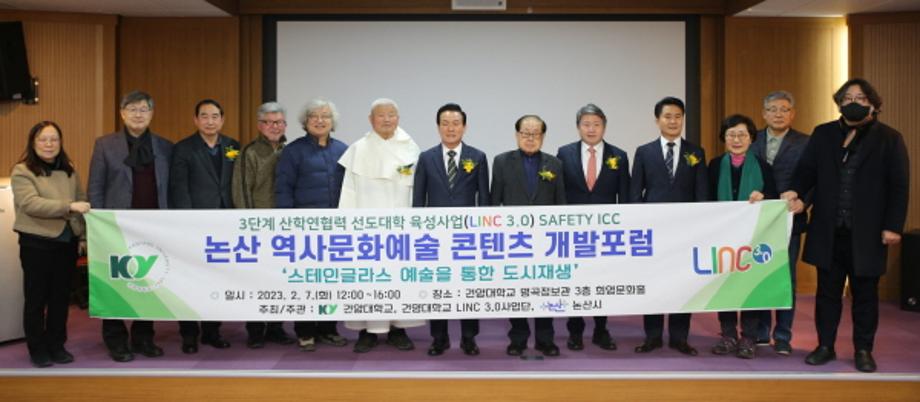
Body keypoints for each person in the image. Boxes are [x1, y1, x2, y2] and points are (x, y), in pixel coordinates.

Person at [785, 78, 909, 373]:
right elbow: (807, 171)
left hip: (868, 232)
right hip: (829, 229)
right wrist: (795, 192)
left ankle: (863, 349)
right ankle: (825, 345)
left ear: (873, 105)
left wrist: (893, 226)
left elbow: (899, 186)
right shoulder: (824, 133)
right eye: (847, 98)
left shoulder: (890, 138)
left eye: (861, 98)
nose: (853, 102)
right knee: (827, 293)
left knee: (865, 294)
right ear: (839, 103)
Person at [88, 90, 172, 362]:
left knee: (149, 282)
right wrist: (98, 224)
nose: (138, 114)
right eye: (132, 109)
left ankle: (143, 337)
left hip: (153, 226)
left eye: (143, 109)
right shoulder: (105, 145)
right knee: (114, 282)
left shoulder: (165, 146)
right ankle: (116, 340)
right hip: (115, 226)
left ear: (152, 114)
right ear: (122, 114)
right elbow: (96, 187)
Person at [338, 98, 423, 353]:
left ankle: (399, 329)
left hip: (401, 230)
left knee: (400, 278)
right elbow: (348, 191)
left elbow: (418, 191)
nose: (387, 119)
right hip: (366, 231)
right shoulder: (358, 149)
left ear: (398, 118)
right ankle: (367, 332)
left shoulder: (411, 147)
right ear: (370, 119)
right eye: (381, 115)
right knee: (368, 279)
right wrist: (348, 226)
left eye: (392, 114)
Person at [630, 97, 708, 357]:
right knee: (654, 283)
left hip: (686, 232)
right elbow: (635, 193)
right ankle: (652, 337)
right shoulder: (644, 152)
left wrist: (701, 227)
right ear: (657, 120)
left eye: (678, 116)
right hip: (653, 231)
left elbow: (702, 193)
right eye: (667, 116)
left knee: (683, 284)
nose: (673, 121)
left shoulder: (696, 152)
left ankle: (679, 338)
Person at [413, 103, 490, 357]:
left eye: (456, 123)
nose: (450, 128)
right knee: (439, 287)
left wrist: (483, 233)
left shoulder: (477, 157)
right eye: (445, 123)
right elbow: (418, 199)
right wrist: (418, 232)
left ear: (464, 127)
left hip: (468, 237)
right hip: (434, 238)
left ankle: (469, 338)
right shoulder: (426, 158)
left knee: (468, 287)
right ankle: (439, 338)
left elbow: (484, 200)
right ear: (438, 127)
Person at [11, 121, 90, 368]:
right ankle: (37, 348)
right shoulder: (22, 171)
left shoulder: (69, 169)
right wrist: (68, 206)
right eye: (43, 139)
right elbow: (30, 203)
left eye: (54, 139)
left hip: (67, 242)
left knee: (60, 298)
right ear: (33, 143)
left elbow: (82, 200)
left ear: (60, 142)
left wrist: (82, 236)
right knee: (36, 298)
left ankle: (57, 345)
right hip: (36, 243)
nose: (49, 144)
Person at [275, 98, 349, 351]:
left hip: (335, 230)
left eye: (325, 116)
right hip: (303, 229)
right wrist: (287, 222)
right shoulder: (293, 151)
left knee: (331, 281)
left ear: (333, 121)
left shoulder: (343, 150)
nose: (320, 120)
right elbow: (283, 188)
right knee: (305, 282)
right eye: (314, 116)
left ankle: (328, 329)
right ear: (305, 122)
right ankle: (305, 331)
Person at [492, 114, 566, 357]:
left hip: (546, 241)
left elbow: (561, 204)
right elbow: (493, 204)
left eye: (536, 134)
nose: (530, 138)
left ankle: (545, 339)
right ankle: (518, 338)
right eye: (526, 133)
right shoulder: (502, 162)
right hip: (515, 240)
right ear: (517, 135)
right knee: (517, 291)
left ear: (543, 137)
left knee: (545, 289)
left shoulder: (555, 164)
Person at [169, 99, 240, 354]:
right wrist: (187, 222)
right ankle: (189, 334)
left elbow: (234, 182)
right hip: (194, 224)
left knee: (217, 280)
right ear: (196, 120)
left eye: (215, 116)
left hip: (224, 224)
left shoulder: (232, 146)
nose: (210, 121)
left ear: (222, 119)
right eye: (204, 116)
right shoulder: (183, 148)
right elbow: (179, 188)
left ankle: (212, 331)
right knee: (189, 280)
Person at [556, 103, 627, 352]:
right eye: (586, 124)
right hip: (573, 232)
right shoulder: (564, 153)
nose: (591, 129)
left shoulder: (619, 156)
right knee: (576, 282)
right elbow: (559, 192)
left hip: (606, 232)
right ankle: (575, 332)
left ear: (604, 127)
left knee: (602, 281)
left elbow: (624, 196)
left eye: (596, 124)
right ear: (578, 127)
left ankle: (601, 329)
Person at [707, 114, 778, 360]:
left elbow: (774, 198)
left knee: (750, 287)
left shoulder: (763, 166)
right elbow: (705, 199)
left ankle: (748, 337)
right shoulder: (714, 165)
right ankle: (727, 335)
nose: (736, 140)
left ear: (751, 138)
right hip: (722, 238)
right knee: (725, 286)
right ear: (724, 138)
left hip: (753, 238)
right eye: (731, 135)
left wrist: (764, 196)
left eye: (742, 135)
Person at [231, 102, 295, 349]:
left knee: (280, 279)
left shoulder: (290, 151)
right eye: (268, 122)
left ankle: (276, 328)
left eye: (278, 122)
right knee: (257, 279)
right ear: (259, 125)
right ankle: (256, 330)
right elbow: (241, 190)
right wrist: (250, 225)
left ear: (285, 125)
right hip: (258, 226)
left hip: (284, 227)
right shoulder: (249, 152)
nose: (274, 127)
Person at [751, 90, 809, 355]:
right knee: (760, 274)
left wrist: (804, 201)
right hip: (758, 221)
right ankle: (761, 331)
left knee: (787, 278)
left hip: (789, 219)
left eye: (784, 109)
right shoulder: (751, 139)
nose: (778, 114)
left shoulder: (806, 142)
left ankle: (783, 334)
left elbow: (815, 178)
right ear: (764, 114)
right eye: (772, 109)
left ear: (792, 114)